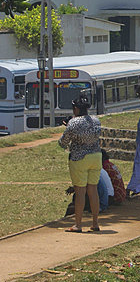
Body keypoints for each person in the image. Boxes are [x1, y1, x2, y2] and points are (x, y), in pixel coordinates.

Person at [58, 95, 103, 232]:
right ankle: (95, 223)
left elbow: (63, 142)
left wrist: (68, 126)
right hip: (96, 156)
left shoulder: (73, 123)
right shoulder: (96, 121)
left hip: (79, 158)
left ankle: (78, 224)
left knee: (80, 191)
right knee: (93, 190)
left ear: (76, 109)